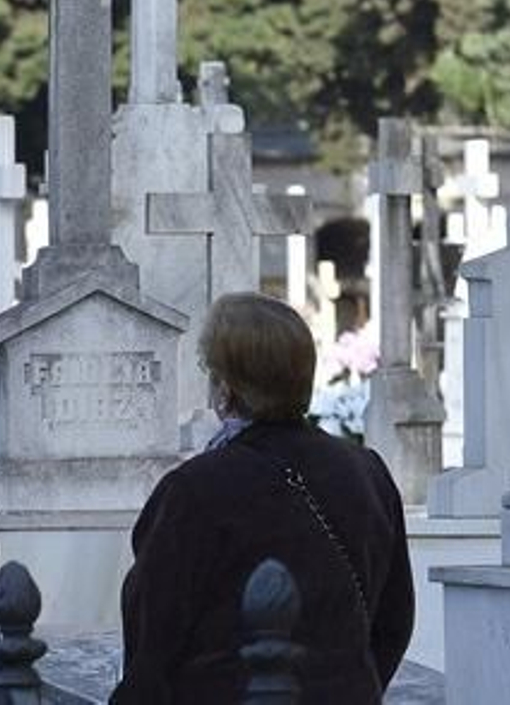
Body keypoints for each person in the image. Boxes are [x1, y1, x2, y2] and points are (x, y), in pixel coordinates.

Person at [112, 293, 414, 704]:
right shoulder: (366, 472)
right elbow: (393, 619)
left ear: (228, 387)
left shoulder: (194, 489)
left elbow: (154, 637)